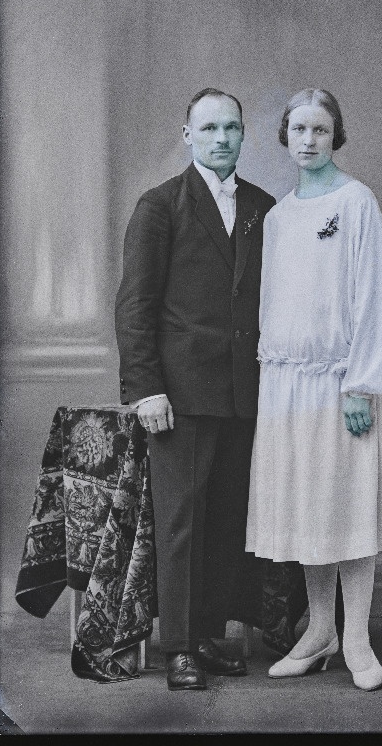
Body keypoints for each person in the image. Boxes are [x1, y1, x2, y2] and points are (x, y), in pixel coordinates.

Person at [245, 88, 382, 691]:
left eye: (319, 129)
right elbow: (273, 304)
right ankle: (319, 633)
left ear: (335, 134)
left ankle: (357, 638)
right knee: (310, 510)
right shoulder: (279, 215)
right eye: (298, 129)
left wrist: (361, 385)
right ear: (285, 137)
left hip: (344, 383)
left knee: (349, 507)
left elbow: (370, 296)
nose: (308, 140)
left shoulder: (357, 201)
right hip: (288, 385)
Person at [115, 88, 275, 691]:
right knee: (180, 523)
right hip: (179, 396)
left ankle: (207, 636)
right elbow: (135, 306)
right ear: (187, 135)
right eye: (208, 128)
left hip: (243, 392)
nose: (221, 138)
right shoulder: (160, 206)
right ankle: (178, 647)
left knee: (226, 519)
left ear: (243, 133)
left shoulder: (262, 205)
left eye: (231, 127)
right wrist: (146, 389)